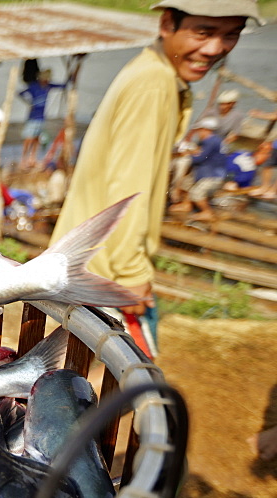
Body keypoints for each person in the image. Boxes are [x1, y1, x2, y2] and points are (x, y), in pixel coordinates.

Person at [48, 0, 260, 358]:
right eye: (203, 32)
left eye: (231, 35)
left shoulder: (153, 72)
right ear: (167, 24)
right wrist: (130, 272)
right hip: (106, 274)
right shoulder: (154, 84)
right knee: (124, 395)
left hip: (86, 263)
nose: (215, 48)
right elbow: (130, 186)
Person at [170, 117, 227, 220]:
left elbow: (200, 158)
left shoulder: (211, 141)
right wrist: (192, 152)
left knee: (196, 193)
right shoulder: (212, 140)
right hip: (206, 172)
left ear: (206, 129)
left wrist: (187, 155)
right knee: (187, 183)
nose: (197, 133)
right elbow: (201, 153)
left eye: (199, 130)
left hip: (212, 176)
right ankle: (186, 204)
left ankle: (207, 211)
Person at [18, 68, 66, 169]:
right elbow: (20, 93)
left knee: (37, 138)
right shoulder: (34, 86)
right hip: (33, 117)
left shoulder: (48, 86)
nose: (46, 80)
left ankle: (32, 159)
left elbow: (63, 86)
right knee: (29, 138)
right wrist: (29, 103)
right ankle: (23, 159)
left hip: (41, 117)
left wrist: (72, 77)